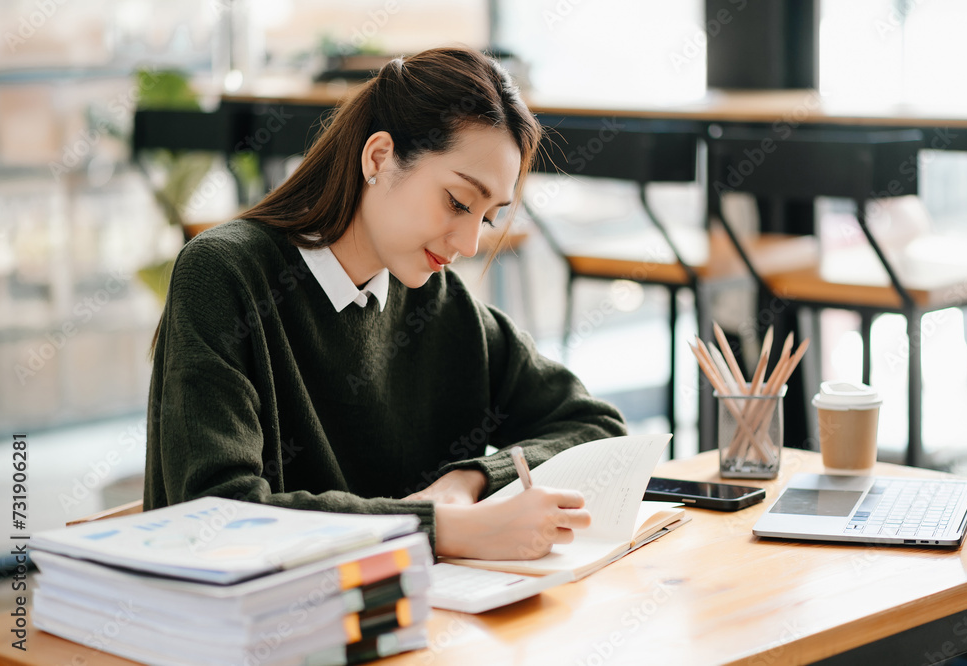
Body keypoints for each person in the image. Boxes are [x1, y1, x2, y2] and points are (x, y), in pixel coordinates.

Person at [143, 47, 627, 560]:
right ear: (379, 157)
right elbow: (219, 512)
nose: (467, 243)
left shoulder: (436, 300)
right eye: (458, 202)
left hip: (407, 614)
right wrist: (446, 528)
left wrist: (468, 480)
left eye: (486, 217)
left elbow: (596, 428)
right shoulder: (224, 275)